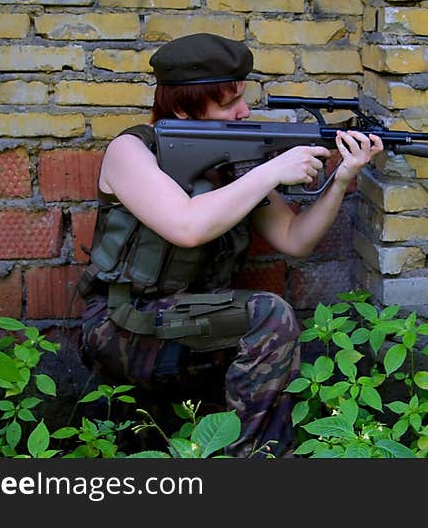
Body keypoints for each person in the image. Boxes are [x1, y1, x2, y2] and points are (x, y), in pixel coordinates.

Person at [77, 32, 383, 457]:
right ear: (182, 106)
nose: (243, 112)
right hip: (124, 322)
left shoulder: (236, 161)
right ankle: (252, 457)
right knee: (270, 314)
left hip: (197, 320)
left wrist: (342, 177)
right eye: (227, 104)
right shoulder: (130, 151)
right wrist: (272, 169)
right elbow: (187, 227)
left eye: (243, 98)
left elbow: (294, 240)